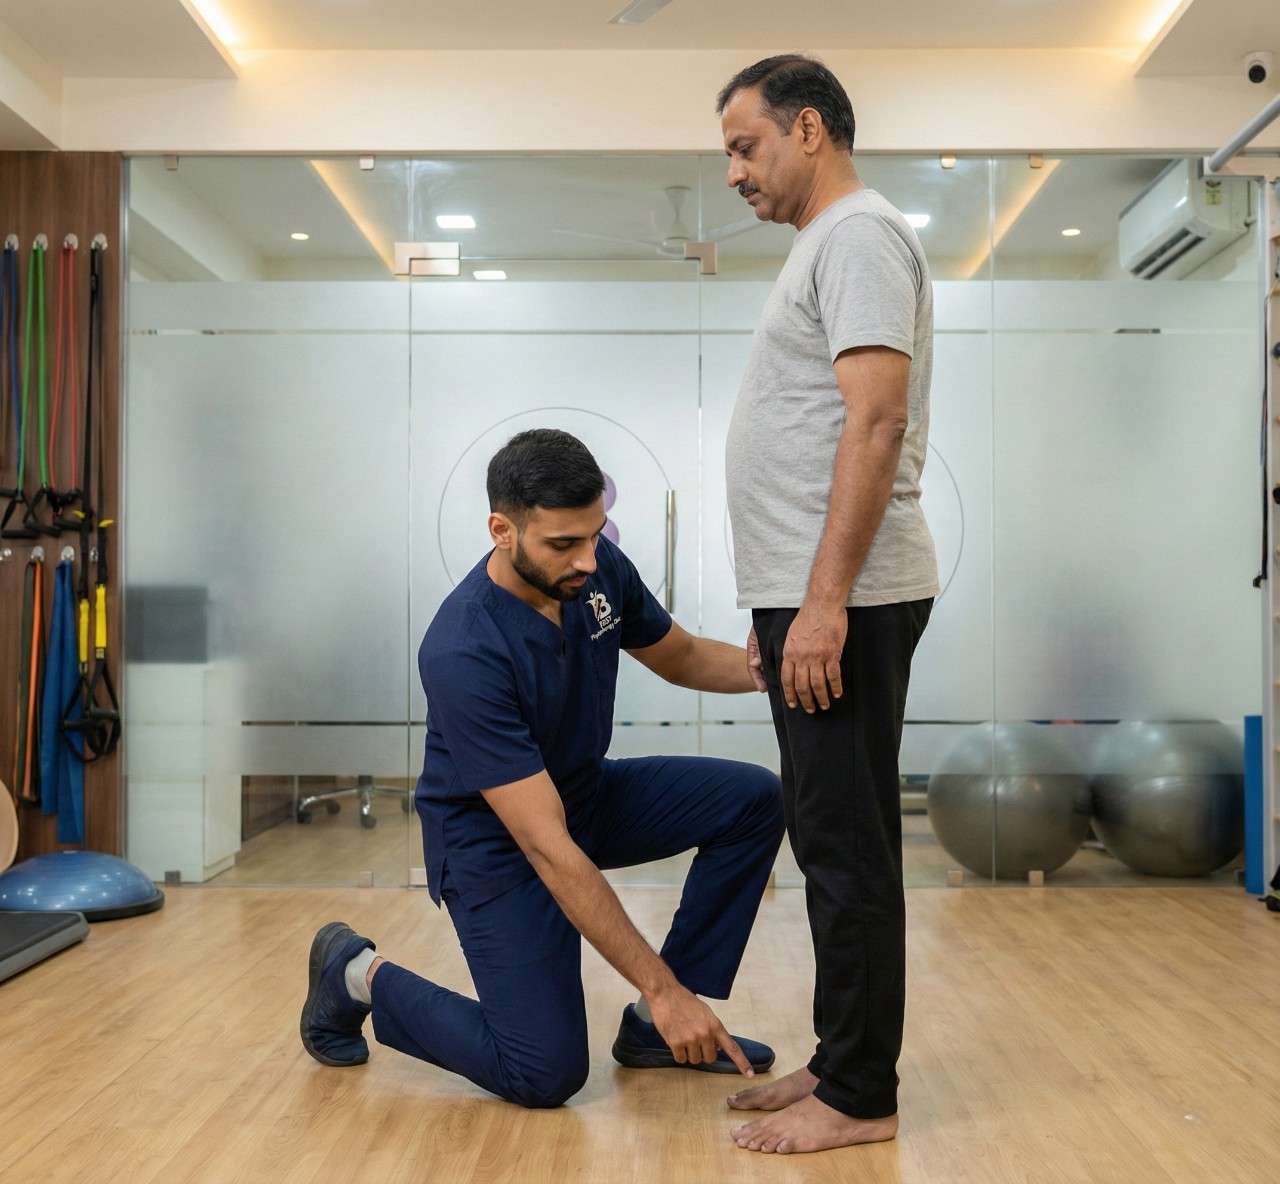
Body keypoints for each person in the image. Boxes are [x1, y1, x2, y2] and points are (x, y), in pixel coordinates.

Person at [299, 428, 785, 1109]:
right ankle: (354, 974)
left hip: (582, 796)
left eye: (594, 534)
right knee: (543, 1073)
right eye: (564, 543)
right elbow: (546, 846)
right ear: (502, 529)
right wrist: (661, 984)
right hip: (495, 847)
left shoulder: (595, 568)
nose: (588, 558)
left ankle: (652, 1032)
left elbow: (680, 656)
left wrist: (772, 670)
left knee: (753, 799)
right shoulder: (464, 648)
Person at [717, 55, 939, 1155]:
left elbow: (875, 421)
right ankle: (840, 1056)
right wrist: (783, 605)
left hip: (843, 599)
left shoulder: (855, 234)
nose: (731, 171)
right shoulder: (827, 244)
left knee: (846, 847)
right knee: (829, 838)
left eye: (744, 145)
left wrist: (818, 606)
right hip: (813, 598)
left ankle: (861, 1094)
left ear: (808, 129)